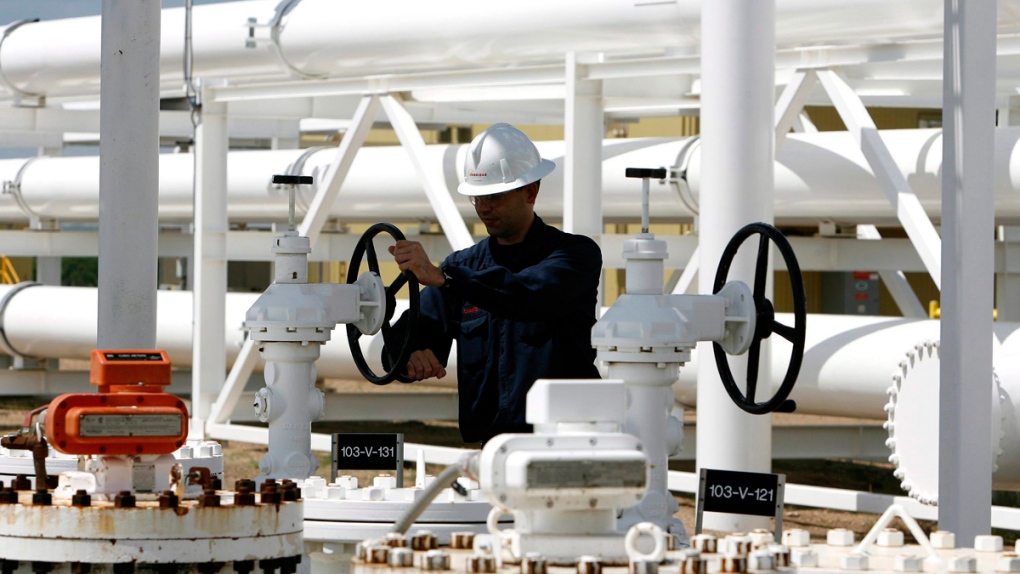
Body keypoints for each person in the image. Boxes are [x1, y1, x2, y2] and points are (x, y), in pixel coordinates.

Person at [386, 123, 603, 444]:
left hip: (568, 445)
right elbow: (411, 339)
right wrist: (407, 358)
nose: (484, 207)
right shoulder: (461, 268)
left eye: (495, 196)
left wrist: (446, 279)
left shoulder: (575, 256)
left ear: (530, 192)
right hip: (490, 450)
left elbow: (527, 294)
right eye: (477, 197)